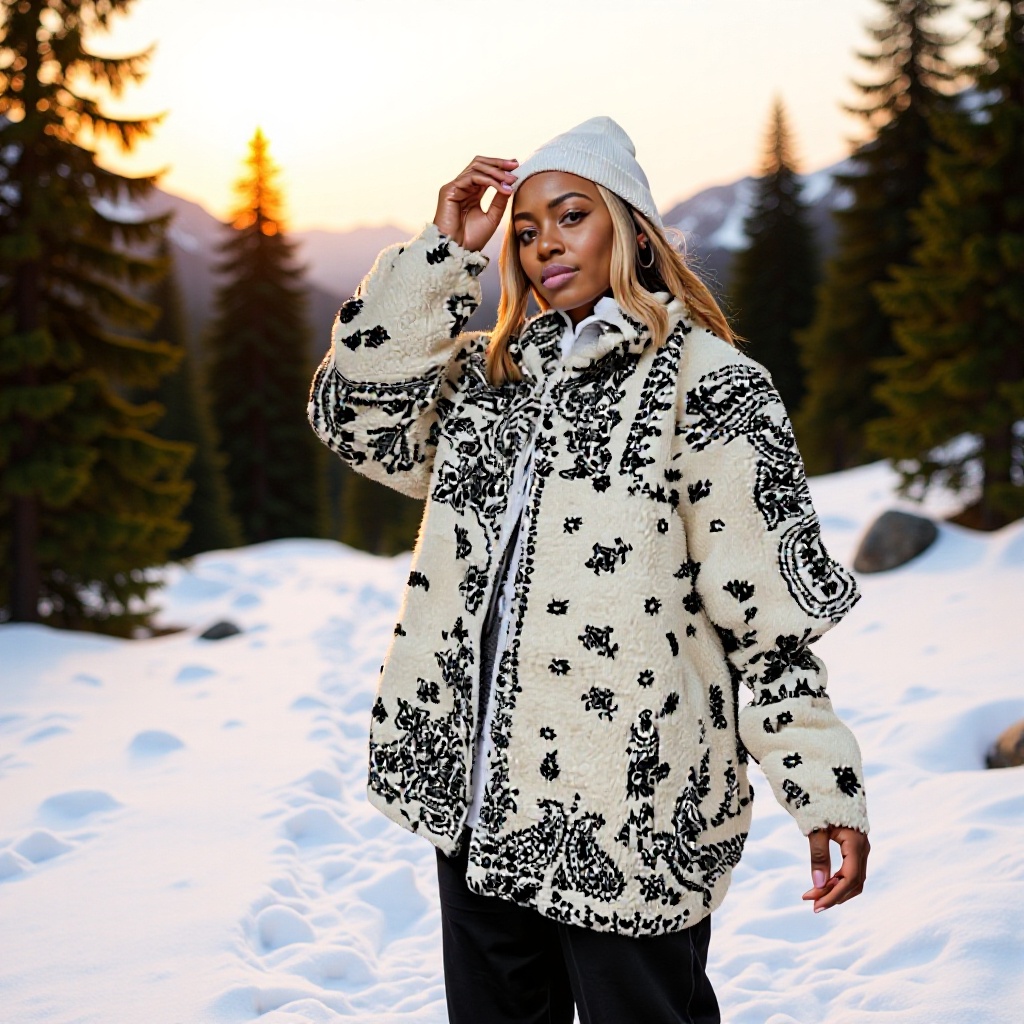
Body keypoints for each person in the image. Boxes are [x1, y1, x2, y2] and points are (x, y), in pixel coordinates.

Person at [308, 116, 870, 1024]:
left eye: (571, 216)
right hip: (477, 808)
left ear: (632, 229)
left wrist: (823, 789)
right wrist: (443, 253)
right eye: (526, 229)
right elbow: (355, 417)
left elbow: (769, 624)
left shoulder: (714, 387)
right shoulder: (495, 379)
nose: (544, 245)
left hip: (631, 817)